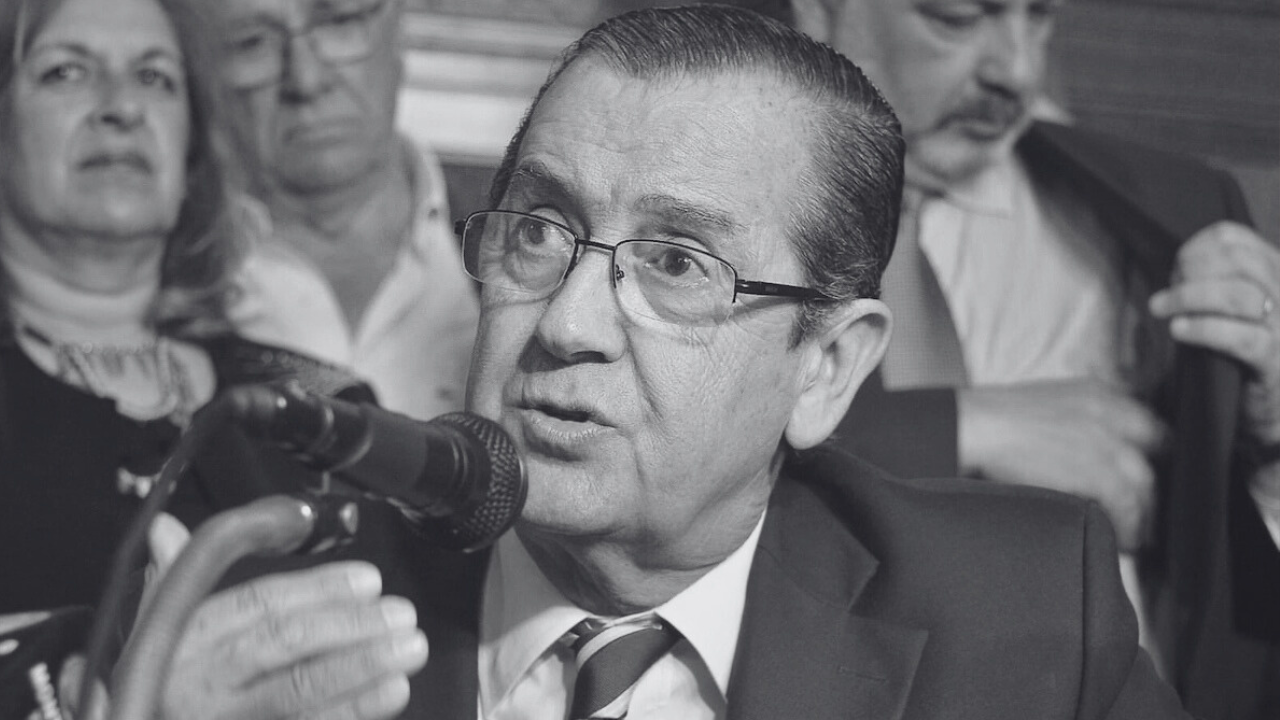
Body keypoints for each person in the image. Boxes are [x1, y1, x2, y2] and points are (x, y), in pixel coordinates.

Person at [136, 7, 1195, 719]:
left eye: (678, 263)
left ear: (826, 368)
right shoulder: (272, 615)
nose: (566, 325)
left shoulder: (1027, 621)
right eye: (540, 232)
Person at [788, 0, 1280, 717]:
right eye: (958, 17)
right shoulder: (701, 219)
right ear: (820, 11)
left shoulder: (1183, 211)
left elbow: (1227, 598)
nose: (1018, 70)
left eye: (1039, 15)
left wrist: (1272, 447)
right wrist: (970, 429)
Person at [0, 0, 399, 616]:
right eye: (66, 72)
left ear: (191, 154)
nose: (122, 107)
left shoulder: (326, 408)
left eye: (155, 77)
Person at [212, 0, 480, 421]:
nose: (306, 80)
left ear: (398, 26)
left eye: (339, 21)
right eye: (252, 42)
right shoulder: (160, 280)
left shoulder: (520, 244)